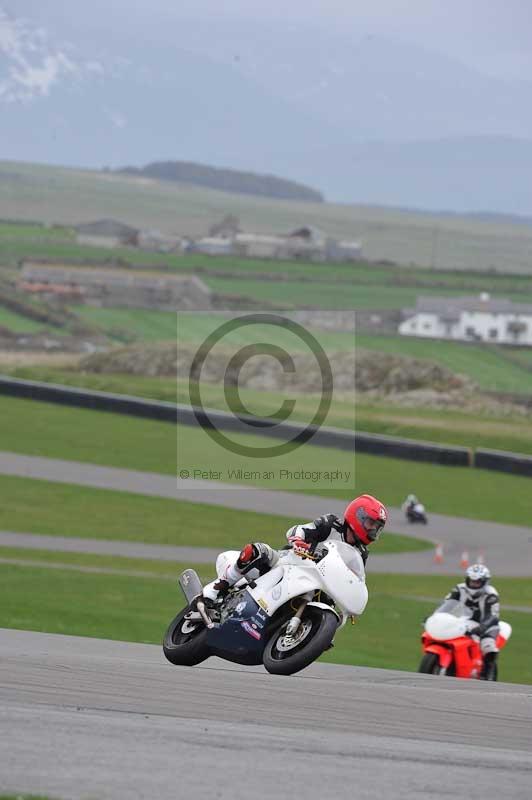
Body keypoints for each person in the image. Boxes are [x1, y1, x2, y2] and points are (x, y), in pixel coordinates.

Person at [201, 494, 388, 605]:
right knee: (257, 550)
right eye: (370, 522)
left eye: (377, 526)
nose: (373, 529)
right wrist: (298, 541)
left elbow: (354, 579)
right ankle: (218, 587)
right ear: (357, 515)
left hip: (317, 584)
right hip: (288, 563)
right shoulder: (331, 524)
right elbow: (299, 529)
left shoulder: (361, 554)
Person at [435, 563, 500, 680]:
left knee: (488, 646)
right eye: (471, 581)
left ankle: (487, 676)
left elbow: (492, 616)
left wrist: (482, 627)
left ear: (485, 582)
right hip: (466, 621)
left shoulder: (491, 594)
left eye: (477, 582)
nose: (474, 584)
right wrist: (435, 617)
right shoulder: (459, 589)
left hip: (488, 625)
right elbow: (447, 605)